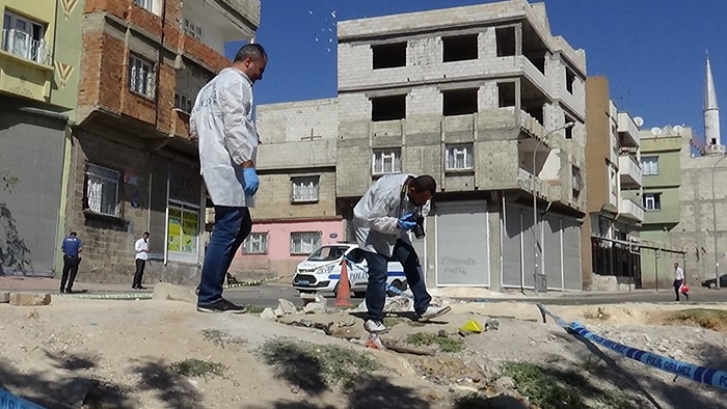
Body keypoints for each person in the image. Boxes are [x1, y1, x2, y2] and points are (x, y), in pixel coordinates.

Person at [190, 43, 267, 313]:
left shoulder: (207, 88)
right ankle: (210, 296)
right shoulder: (237, 83)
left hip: (214, 160)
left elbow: (193, 126)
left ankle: (208, 283)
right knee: (228, 224)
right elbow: (234, 124)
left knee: (241, 224)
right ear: (248, 61)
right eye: (260, 69)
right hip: (229, 164)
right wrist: (246, 163)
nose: (261, 75)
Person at [352, 173, 451, 333]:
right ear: (412, 190)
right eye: (422, 200)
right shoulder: (388, 191)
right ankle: (373, 318)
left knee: (411, 261)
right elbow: (374, 220)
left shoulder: (422, 192)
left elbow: (423, 210)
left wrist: (414, 219)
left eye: (427, 200)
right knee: (378, 272)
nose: (424, 203)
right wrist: (398, 223)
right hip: (370, 229)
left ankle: (423, 307)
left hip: (395, 229)